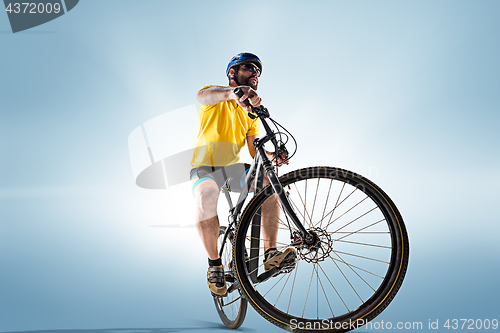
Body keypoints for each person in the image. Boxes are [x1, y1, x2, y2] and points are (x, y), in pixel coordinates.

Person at [190, 53, 296, 297]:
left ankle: (271, 254)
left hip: (232, 170)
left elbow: (252, 147)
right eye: (249, 68)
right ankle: (214, 265)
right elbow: (201, 96)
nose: (255, 73)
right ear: (232, 73)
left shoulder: (248, 114)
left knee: (270, 183)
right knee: (207, 194)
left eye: (258, 71)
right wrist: (233, 94)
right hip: (205, 168)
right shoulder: (216, 96)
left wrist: (274, 155)